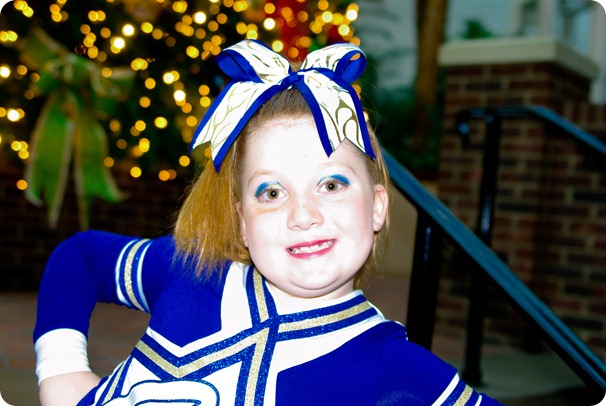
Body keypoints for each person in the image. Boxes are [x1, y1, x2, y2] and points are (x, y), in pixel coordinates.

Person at [34, 40, 501, 405]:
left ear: (378, 206)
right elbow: (81, 258)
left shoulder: (397, 372)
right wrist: (60, 369)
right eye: (272, 193)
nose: (303, 215)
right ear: (242, 221)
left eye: (331, 184)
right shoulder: (194, 272)